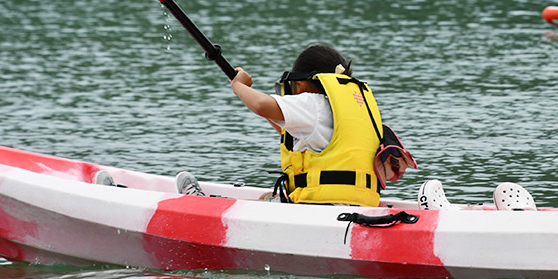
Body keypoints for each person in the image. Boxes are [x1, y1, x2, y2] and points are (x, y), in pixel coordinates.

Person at [176, 43, 414, 206]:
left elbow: (261, 105)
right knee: (267, 198)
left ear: (300, 85)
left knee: (266, 202)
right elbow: (287, 129)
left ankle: (201, 204)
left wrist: (238, 86)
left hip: (323, 208)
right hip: (360, 204)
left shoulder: (313, 103)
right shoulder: (356, 109)